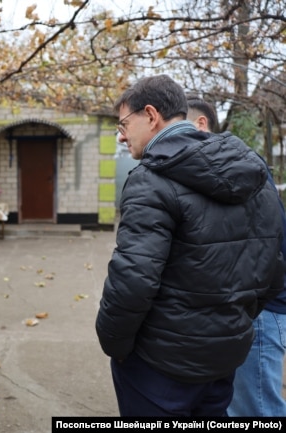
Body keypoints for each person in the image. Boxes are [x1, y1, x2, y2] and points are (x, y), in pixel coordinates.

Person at [95, 74, 285, 416]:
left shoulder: (149, 180)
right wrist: (234, 324)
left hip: (160, 365)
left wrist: (115, 344)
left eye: (124, 124)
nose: (121, 135)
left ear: (151, 116)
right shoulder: (252, 169)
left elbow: (133, 281)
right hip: (224, 361)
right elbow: (272, 265)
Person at [187, 96, 286, 416]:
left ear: (201, 124)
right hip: (244, 311)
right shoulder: (220, 169)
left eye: (176, 127)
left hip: (259, 312)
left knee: (256, 408)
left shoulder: (237, 170)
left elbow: (272, 243)